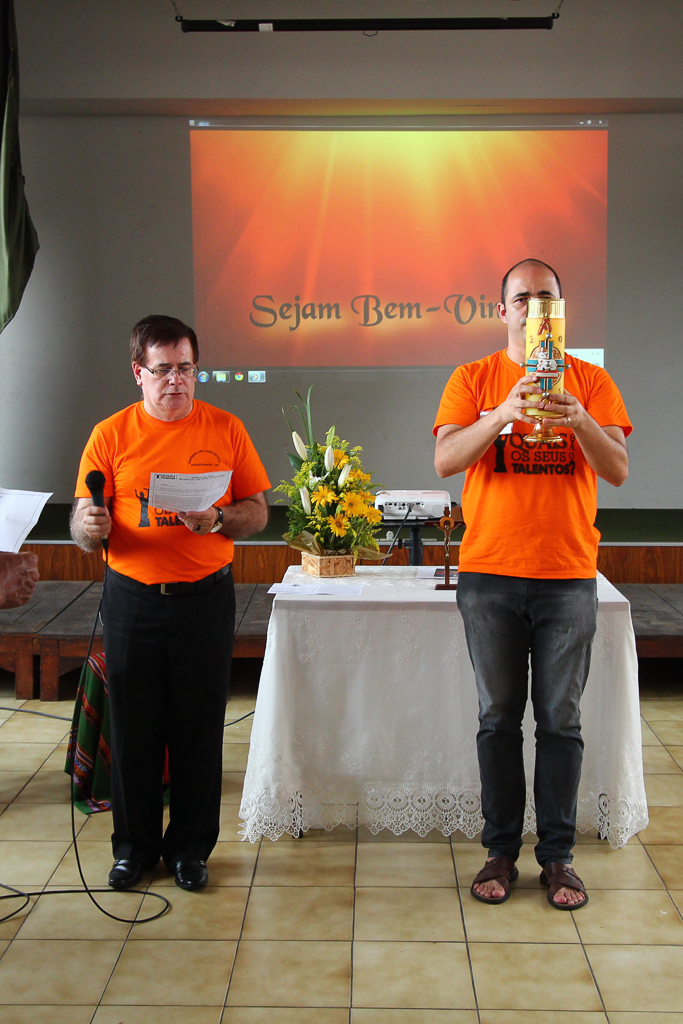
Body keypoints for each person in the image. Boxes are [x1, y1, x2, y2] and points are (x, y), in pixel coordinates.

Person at [433, 259, 631, 910]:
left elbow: (618, 470)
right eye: (521, 297)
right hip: (489, 572)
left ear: (560, 309)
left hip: (566, 574)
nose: (532, 306)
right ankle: (499, 850)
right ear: (502, 310)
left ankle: (558, 858)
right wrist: (500, 414)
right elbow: (445, 459)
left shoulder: (591, 381)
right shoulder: (472, 378)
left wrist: (581, 420)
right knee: (496, 719)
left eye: (545, 296)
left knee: (560, 721)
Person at [71, 315, 270, 891]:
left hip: (204, 599)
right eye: (163, 370)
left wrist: (220, 518)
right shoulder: (110, 435)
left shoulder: (226, 428)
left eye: (186, 368)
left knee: (198, 728)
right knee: (133, 729)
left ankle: (189, 850)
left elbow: (257, 512)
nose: (176, 380)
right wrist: (88, 526)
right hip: (132, 599)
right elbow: (83, 526)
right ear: (139, 373)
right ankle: (133, 850)